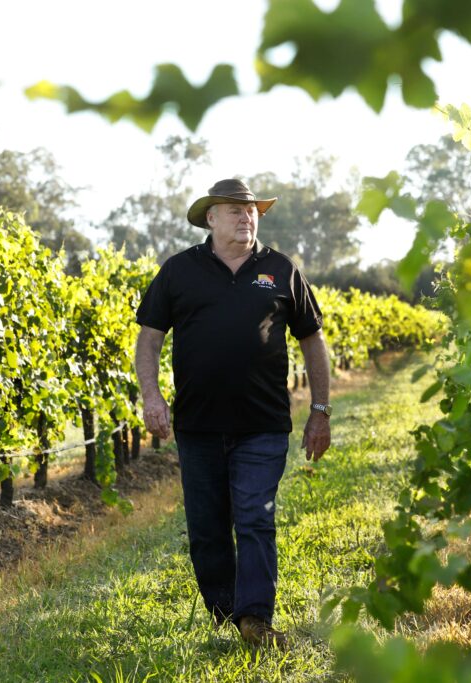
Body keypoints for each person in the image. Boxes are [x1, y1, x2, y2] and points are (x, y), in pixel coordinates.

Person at [134, 178, 332, 649]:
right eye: (235, 210)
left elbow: (312, 341)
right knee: (207, 528)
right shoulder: (180, 271)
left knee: (255, 517)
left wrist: (320, 410)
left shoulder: (281, 269)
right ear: (211, 218)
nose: (246, 218)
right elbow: (149, 339)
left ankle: (255, 619)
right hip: (198, 426)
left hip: (262, 425)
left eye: (252, 211)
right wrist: (151, 396)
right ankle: (227, 609)